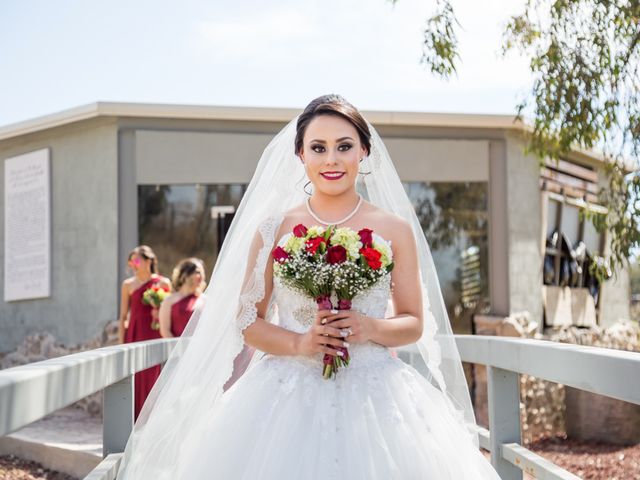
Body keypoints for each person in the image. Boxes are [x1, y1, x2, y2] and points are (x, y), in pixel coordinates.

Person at [117, 95, 501, 479]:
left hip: (377, 392)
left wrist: (369, 327)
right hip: (283, 394)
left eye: (344, 146)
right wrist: (300, 343)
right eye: (318, 147)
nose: (331, 159)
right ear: (300, 154)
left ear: (364, 151)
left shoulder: (395, 229)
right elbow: (248, 321)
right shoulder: (275, 229)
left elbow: (413, 321)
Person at [118, 245, 172, 420]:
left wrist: (159, 313)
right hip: (134, 333)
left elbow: (170, 310)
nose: (133, 264)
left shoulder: (163, 283)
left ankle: (154, 417)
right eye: (131, 260)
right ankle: (135, 418)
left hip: (154, 331)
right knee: (137, 375)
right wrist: (121, 343)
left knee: (154, 373)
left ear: (148, 261)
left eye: (136, 259)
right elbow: (123, 316)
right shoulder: (127, 285)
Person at [158, 258, 206, 338]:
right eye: (198, 272)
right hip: (177, 348)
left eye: (202, 273)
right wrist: (177, 349)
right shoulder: (169, 301)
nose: (201, 276)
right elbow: (165, 330)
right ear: (185, 274)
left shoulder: (206, 300)